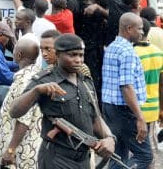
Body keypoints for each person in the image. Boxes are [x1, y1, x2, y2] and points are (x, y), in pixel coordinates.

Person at [10, 34, 116, 169]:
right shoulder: (45, 80)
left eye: (81, 55)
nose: (78, 60)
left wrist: (109, 138)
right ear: (58, 54)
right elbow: (14, 111)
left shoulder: (86, 82)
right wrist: (36, 91)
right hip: (57, 158)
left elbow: (95, 118)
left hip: (83, 159)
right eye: (72, 55)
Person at [101, 12, 151, 168]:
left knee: (118, 155)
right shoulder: (127, 51)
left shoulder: (112, 46)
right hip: (124, 110)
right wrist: (140, 118)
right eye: (140, 29)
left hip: (110, 108)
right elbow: (126, 87)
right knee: (144, 155)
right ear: (129, 29)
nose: (142, 32)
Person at [0, 39, 42, 169]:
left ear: (18, 55)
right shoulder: (35, 75)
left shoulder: (25, 81)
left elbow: (23, 119)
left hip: (20, 153)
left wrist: (11, 150)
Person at [133, 18, 163, 142]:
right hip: (153, 108)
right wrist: (161, 109)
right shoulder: (158, 53)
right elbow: (162, 85)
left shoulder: (132, 53)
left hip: (136, 110)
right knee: (149, 142)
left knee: (139, 147)